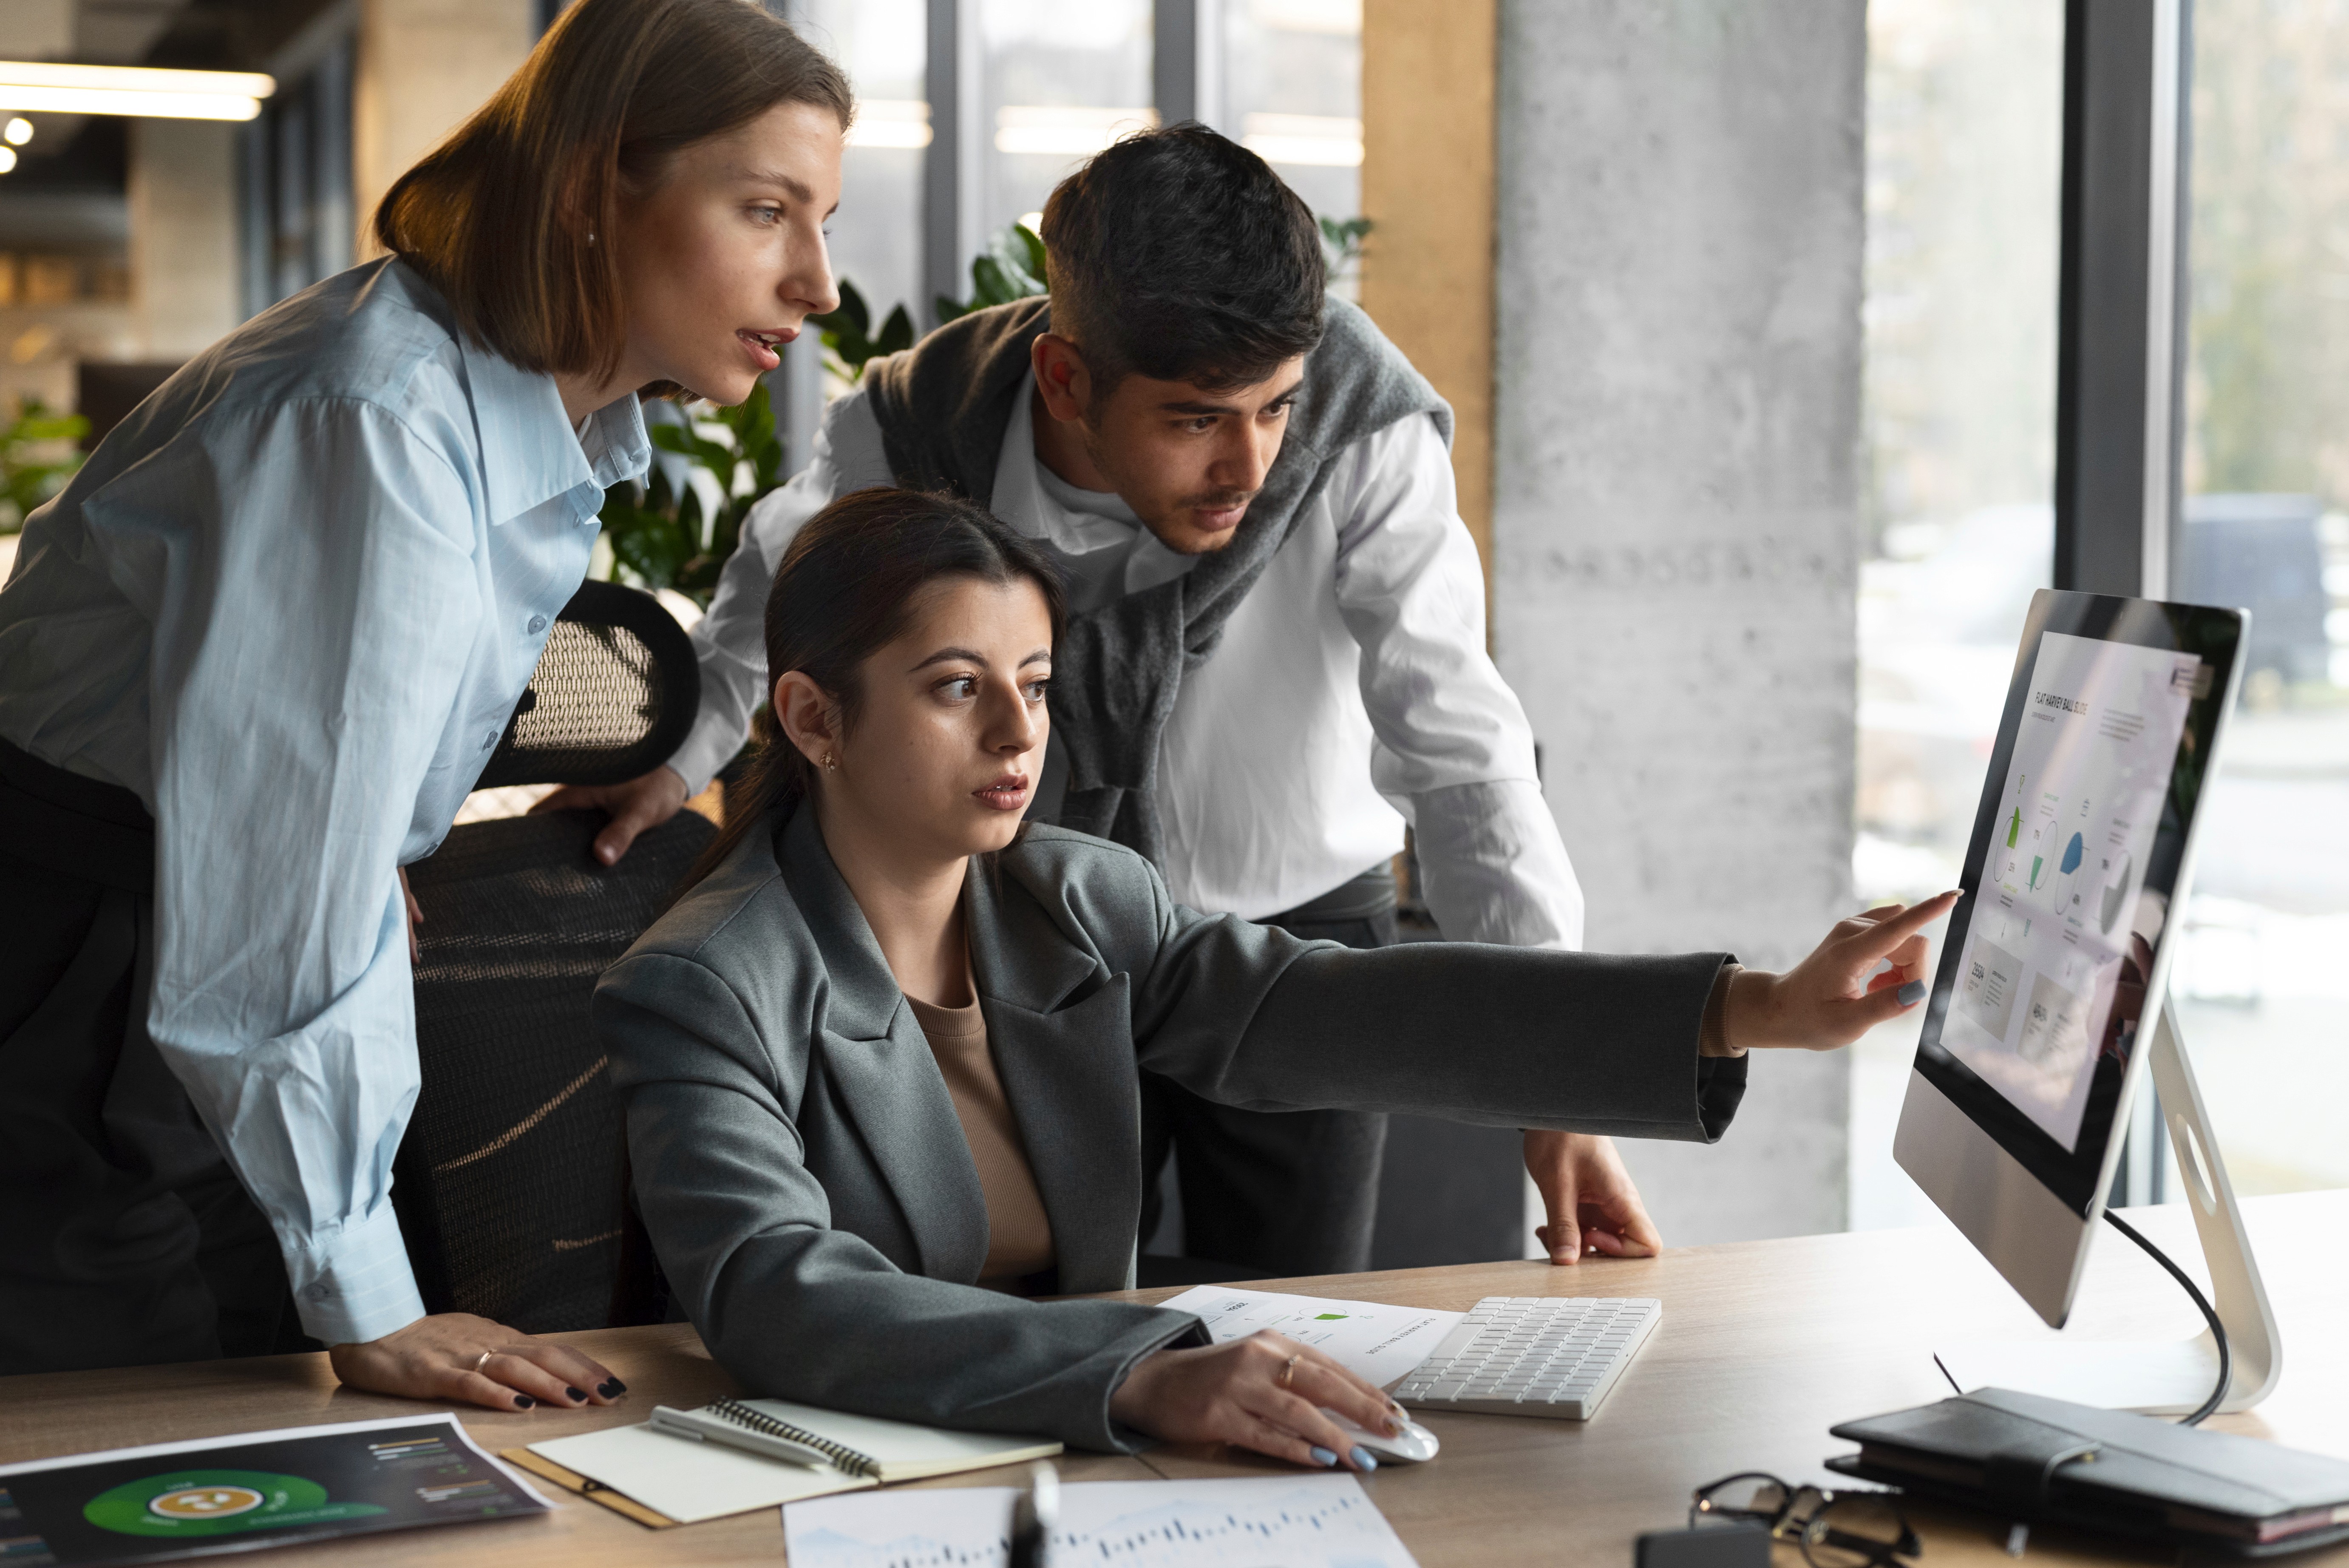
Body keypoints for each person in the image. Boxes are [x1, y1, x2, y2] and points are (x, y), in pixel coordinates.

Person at [596, 488, 1957, 1463]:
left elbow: (1350, 1012)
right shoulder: (708, 982)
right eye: (959, 686)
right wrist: (1143, 1375)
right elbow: (779, 1291)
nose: (1021, 730)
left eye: (1036, 679)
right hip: (853, 1491)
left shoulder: (1078, 899)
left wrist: (1755, 1008)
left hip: (1086, 1476)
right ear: (815, 716)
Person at [554, 123, 1641, 1280]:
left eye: (1275, 408)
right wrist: (682, 761)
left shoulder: (1361, 426)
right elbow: (786, 590)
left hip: (1298, 928)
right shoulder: (920, 424)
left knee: (1304, 1315)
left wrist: (1557, 1080)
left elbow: (1461, 745)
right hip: (1032, 936)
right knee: (1050, 1298)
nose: (1252, 467)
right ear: (1066, 380)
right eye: (1194, 420)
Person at [0, 0, 849, 1402]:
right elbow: (274, 880)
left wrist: (368, 850)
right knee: (134, 1440)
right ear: (591, 193)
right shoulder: (374, 424)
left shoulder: (524, 413)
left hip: (179, 938)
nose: (817, 280)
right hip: (73, 969)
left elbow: (310, 801)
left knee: (263, 1409)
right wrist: (367, 1292)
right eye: (768, 210)